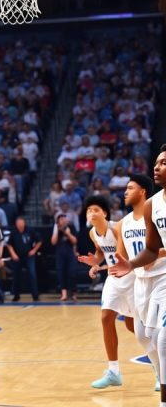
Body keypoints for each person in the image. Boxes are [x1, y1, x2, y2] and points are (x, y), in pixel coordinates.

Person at [111, 146, 166, 400]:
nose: (157, 167)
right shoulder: (152, 205)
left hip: (164, 277)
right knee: (145, 335)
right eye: (156, 162)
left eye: (163, 163)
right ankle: (159, 375)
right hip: (145, 279)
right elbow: (152, 249)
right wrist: (131, 264)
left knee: (163, 339)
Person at [78, 195, 135, 389]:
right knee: (106, 318)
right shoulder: (93, 233)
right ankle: (114, 372)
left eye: (95, 210)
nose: (91, 213)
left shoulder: (117, 228)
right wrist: (95, 262)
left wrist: (105, 265)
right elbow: (101, 251)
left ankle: (159, 370)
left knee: (134, 327)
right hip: (113, 279)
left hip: (131, 277)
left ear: (104, 213)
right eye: (88, 210)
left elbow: (123, 253)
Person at [6, 217, 41, 302]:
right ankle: (16, 295)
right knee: (16, 275)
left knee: (32, 274)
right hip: (17, 256)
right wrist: (13, 254)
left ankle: (35, 295)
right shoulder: (14, 232)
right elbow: (9, 244)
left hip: (29, 256)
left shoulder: (30, 230)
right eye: (18, 224)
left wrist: (34, 250)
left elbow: (39, 241)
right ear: (16, 224)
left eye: (21, 223)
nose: (20, 225)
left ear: (24, 223)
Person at [51, 214, 79, 301]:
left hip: (70, 254)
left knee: (72, 273)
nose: (64, 221)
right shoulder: (56, 229)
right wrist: (56, 230)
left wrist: (68, 233)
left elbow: (75, 241)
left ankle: (74, 293)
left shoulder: (71, 227)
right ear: (58, 222)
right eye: (61, 219)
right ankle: (64, 294)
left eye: (65, 219)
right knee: (61, 273)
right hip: (60, 254)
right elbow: (53, 242)